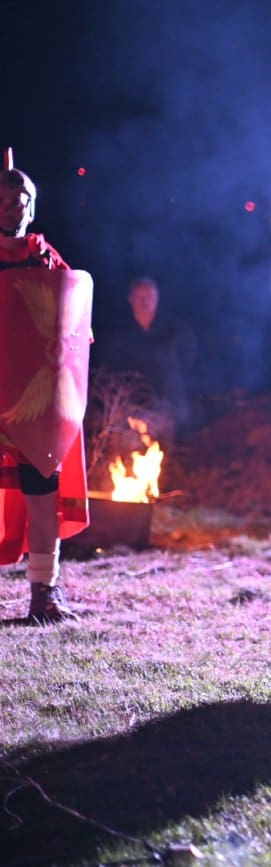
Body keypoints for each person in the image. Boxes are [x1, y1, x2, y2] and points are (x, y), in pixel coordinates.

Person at [0, 148, 93, 623]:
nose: (11, 209)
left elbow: (72, 327)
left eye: (20, 201)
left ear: (31, 207)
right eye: (3, 201)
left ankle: (44, 593)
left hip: (33, 403)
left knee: (42, 494)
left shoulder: (46, 259)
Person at [97, 276, 198, 438]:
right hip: (132, 409)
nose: (145, 302)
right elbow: (111, 373)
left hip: (172, 407)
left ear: (157, 298)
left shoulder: (175, 329)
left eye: (149, 297)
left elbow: (188, 359)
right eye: (140, 297)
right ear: (131, 299)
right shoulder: (118, 334)